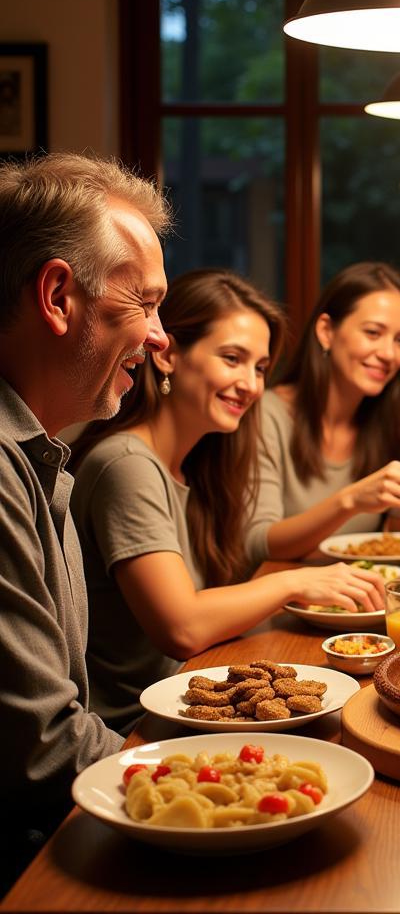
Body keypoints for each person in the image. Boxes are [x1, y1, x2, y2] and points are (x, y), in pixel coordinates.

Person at [70, 269, 385, 731]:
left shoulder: (198, 466)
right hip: (135, 728)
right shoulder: (126, 464)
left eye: (259, 368)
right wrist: (293, 584)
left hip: (195, 697)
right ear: (170, 354)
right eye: (232, 358)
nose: (251, 385)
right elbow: (182, 628)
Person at [0, 153, 169, 890]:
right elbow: (42, 750)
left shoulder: (43, 453)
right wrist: (234, 770)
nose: (162, 338)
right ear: (59, 296)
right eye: (145, 303)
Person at [245, 262, 400, 567]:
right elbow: (259, 543)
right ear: (326, 331)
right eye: (373, 333)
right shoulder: (267, 416)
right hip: (282, 601)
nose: (389, 353)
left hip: (366, 601)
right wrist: (350, 501)